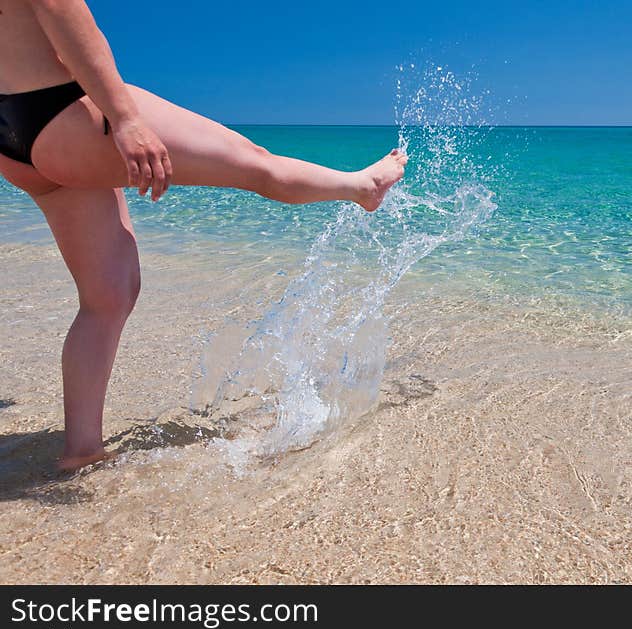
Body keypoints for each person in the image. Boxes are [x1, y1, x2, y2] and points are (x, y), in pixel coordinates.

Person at [0, 0, 408, 471]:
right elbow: (59, 9)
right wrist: (127, 119)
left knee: (107, 298)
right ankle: (362, 187)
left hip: (14, 138)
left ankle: (81, 452)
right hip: (63, 114)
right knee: (257, 164)